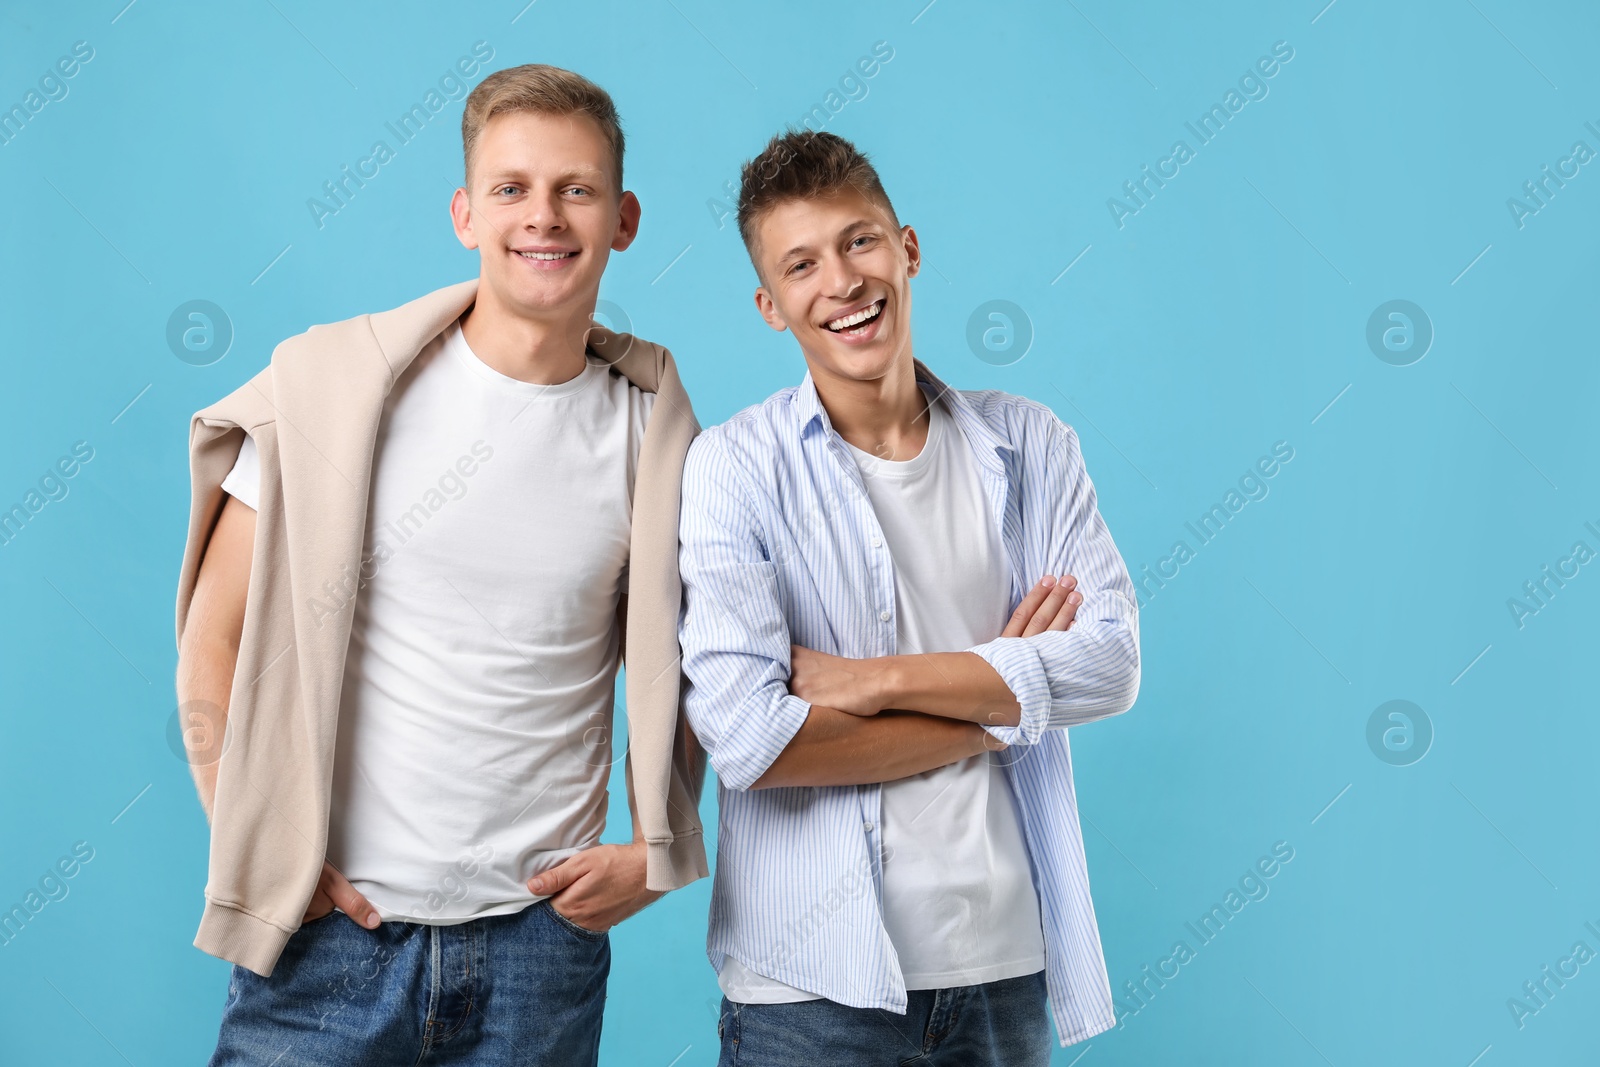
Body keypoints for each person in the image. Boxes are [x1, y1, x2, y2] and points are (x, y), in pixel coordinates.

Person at [173, 64, 706, 1065]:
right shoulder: (333, 389)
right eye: (511, 188)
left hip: (538, 952)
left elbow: (693, 658)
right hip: (329, 940)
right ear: (465, 213)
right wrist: (257, 838)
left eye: (576, 189)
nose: (542, 217)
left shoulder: (653, 433)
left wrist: (658, 846)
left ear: (623, 217)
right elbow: (214, 636)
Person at [677, 129, 1141, 1065]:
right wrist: (1004, 704)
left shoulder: (1032, 443)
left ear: (908, 249)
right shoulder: (733, 468)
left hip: (1005, 969)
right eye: (801, 264)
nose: (842, 281)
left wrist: (871, 679)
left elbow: (1111, 662)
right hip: (811, 993)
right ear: (771, 306)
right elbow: (750, 741)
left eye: (859, 241)